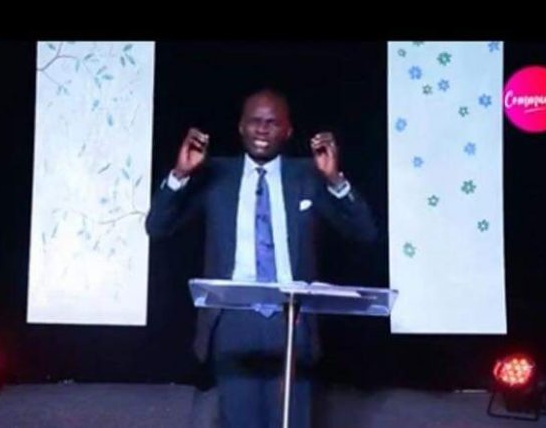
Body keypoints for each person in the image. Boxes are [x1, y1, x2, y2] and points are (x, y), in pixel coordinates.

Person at [145, 88, 377, 427]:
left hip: (292, 320)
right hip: (234, 319)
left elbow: (365, 232)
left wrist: (334, 180)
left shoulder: (308, 175)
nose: (262, 129)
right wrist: (180, 175)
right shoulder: (215, 174)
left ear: (288, 130)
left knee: (293, 421)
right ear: (241, 127)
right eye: (255, 121)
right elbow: (157, 227)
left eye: (272, 123)